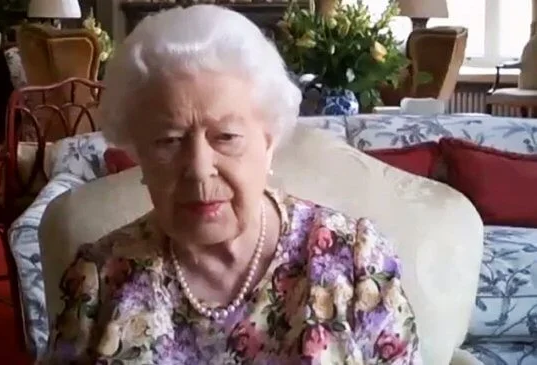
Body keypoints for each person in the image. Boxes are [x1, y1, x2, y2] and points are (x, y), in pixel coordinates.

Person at [41, 4, 421, 364]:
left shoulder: (355, 264)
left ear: (268, 142)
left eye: (225, 137)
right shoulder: (99, 281)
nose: (199, 169)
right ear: (138, 153)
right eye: (168, 141)